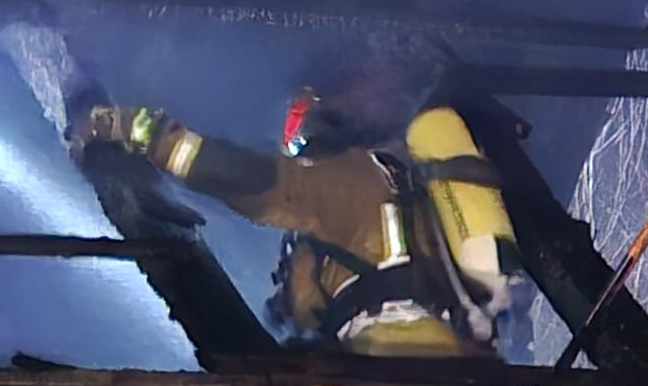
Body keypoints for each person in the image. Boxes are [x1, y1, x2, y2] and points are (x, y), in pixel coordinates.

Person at [70, 77, 529, 359]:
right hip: (455, 369)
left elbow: (253, 180)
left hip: (390, 364)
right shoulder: (416, 194)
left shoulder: (350, 180)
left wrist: (133, 129)